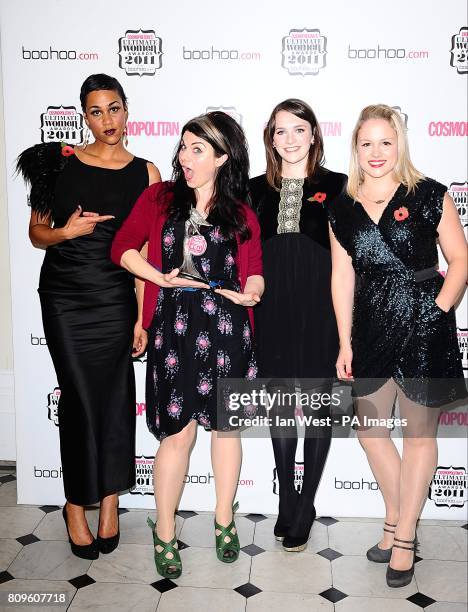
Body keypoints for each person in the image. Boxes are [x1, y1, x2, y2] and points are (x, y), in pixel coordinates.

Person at [111, 111, 263, 578]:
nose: (185, 156)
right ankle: (164, 531)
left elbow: (254, 270)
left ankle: (223, 522)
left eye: (198, 149)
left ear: (222, 157)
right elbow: (122, 247)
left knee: (225, 430)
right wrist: (158, 278)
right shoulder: (158, 197)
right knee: (177, 434)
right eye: (183, 146)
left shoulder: (241, 212)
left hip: (227, 327)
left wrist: (252, 292)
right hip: (174, 326)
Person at [17, 73, 161, 560]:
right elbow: (37, 233)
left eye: (114, 108)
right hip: (64, 294)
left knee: (117, 396)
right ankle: (75, 503)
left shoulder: (147, 173)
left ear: (126, 110)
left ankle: (110, 501)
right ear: (84, 116)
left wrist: (142, 317)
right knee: (78, 399)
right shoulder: (56, 165)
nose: (107, 120)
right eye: (96, 112)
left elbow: (144, 251)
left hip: (116, 296)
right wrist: (69, 232)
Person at [328, 104, 467, 587]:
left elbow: (460, 259)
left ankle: (404, 536)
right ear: (355, 149)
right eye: (366, 143)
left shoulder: (428, 194)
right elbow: (341, 277)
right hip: (370, 324)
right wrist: (344, 341)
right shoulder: (341, 206)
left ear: (399, 144)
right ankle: (396, 515)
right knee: (370, 431)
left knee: (419, 437)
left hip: (424, 322)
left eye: (385, 141)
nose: (376, 152)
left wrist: (438, 312)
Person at [249, 99, 346, 552]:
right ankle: (287, 497)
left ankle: (306, 501)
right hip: (272, 308)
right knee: (281, 406)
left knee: (320, 405)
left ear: (313, 135)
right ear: (270, 138)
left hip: (320, 308)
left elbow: (348, 257)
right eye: (279, 131)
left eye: (297, 129)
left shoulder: (337, 184)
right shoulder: (254, 190)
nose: (289, 139)